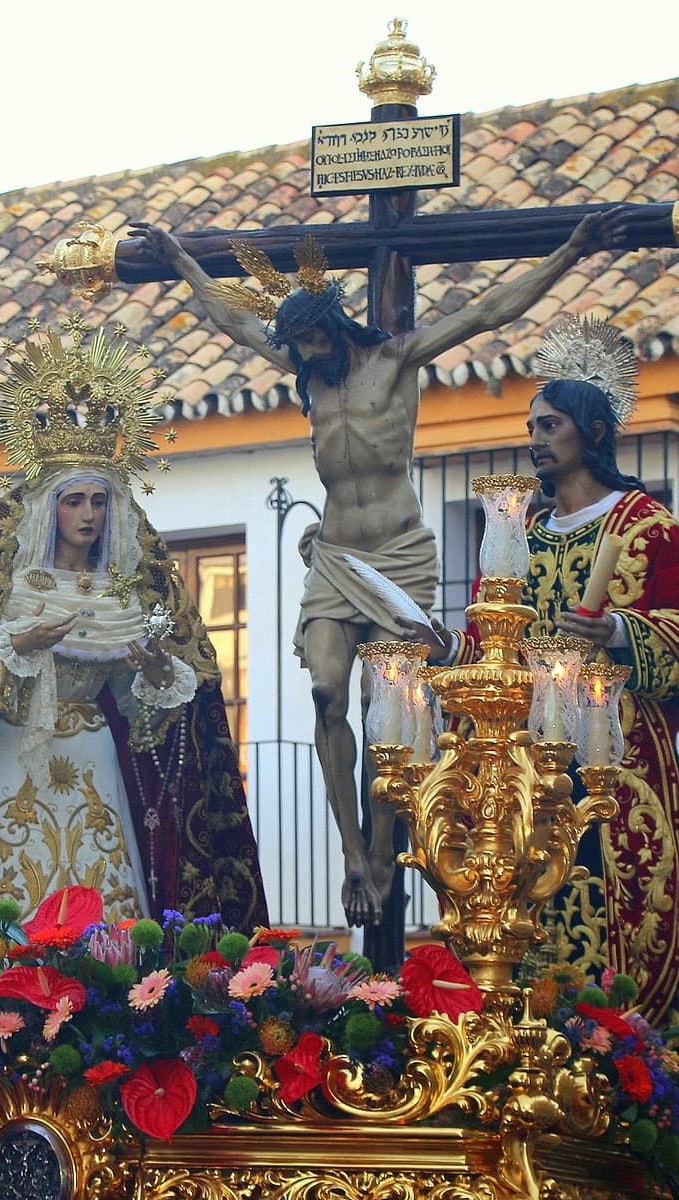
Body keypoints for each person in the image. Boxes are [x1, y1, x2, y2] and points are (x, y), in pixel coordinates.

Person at [130, 209, 630, 927]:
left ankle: (388, 846)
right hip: (335, 557)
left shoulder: (395, 358)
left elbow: (490, 310)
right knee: (328, 692)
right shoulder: (308, 371)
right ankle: (353, 853)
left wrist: (573, 249)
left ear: (336, 326)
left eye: (312, 340)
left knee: (389, 708)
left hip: (399, 552)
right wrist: (178, 257)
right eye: (296, 345)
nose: (305, 355)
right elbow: (231, 323)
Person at [0, 329, 269, 944]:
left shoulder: (128, 593)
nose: (88, 515)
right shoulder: (0, 584)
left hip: (94, 762)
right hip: (9, 756)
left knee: (106, 902)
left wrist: (156, 673)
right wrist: (17, 645)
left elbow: (148, 724)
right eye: (74, 501)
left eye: (98, 502)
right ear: (47, 509)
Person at [416, 315, 679, 1023]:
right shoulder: (519, 538)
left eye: (550, 425)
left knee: (608, 903)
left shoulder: (645, 525)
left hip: (615, 760)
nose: (534, 438)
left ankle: (617, 1043)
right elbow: (490, 650)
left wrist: (620, 631)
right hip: (526, 765)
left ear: (592, 432)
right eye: (531, 425)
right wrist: (446, 650)